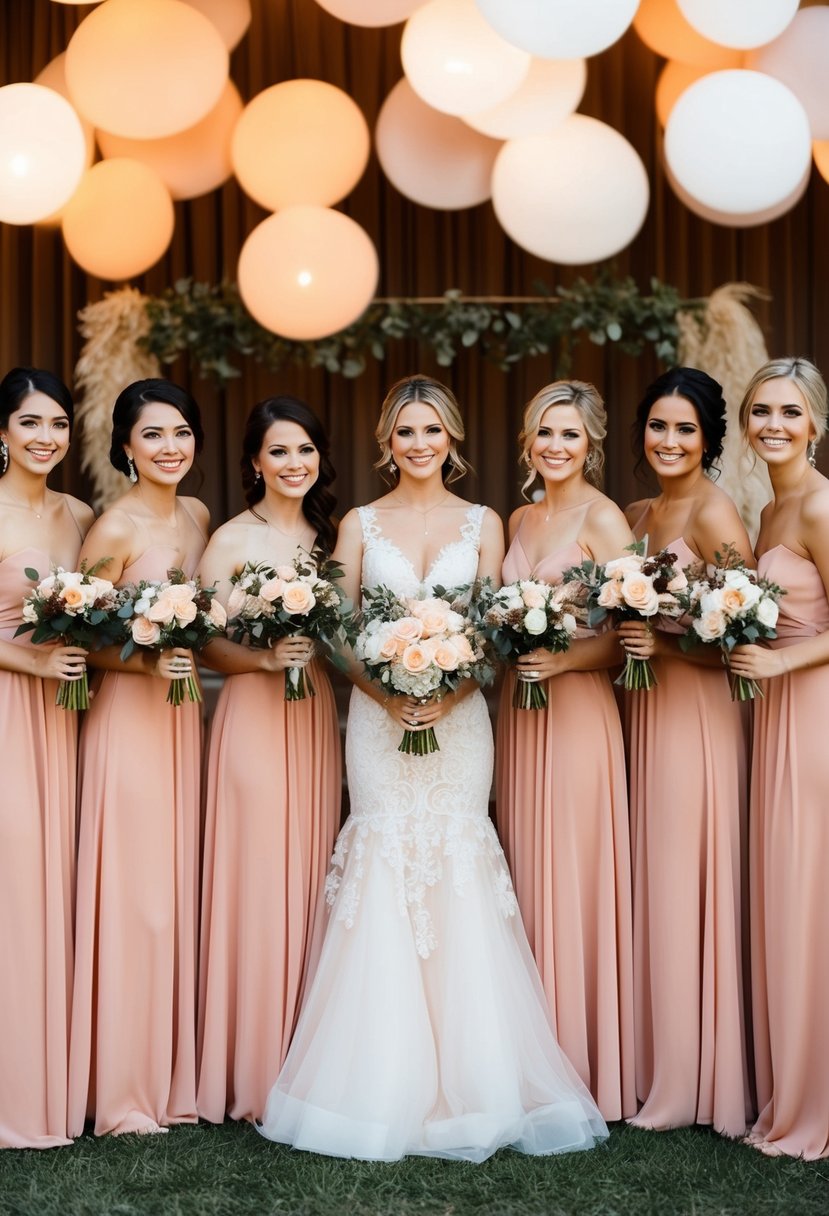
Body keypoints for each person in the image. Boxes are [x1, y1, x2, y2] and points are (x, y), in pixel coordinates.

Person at [258, 373, 607, 1162]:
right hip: (378, 725)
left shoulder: (485, 522)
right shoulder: (356, 522)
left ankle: (476, 1079)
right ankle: (374, 1081)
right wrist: (380, 690)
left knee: (453, 859)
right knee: (384, 858)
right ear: (387, 441)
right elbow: (336, 625)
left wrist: (451, 690)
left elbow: (490, 623)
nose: (419, 445)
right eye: (405, 432)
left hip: (460, 723)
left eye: (432, 432)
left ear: (451, 440)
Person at [68, 379, 209, 1136]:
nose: (169, 448)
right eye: (153, 435)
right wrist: (144, 662)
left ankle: (165, 1075)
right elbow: (77, 636)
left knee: (172, 897)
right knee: (134, 902)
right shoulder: (114, 527)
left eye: (181, 432)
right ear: (125, 446)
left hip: (180, 724)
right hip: (129, 722)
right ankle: (121, 1089)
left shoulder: (195, 515)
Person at [197, 396, 342, 1124]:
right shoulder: (229, 540)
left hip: (311, 712)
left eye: (305, 450)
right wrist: (260, 658)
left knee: (308, 873)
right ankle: (249, 1067)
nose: (294, 464)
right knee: (257, 877)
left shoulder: (329, 538)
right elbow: (202, 642)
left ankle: (303, 1058)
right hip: (255, 715)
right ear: (254, 462)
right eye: (279, 451)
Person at [496, 380, 636, 1121]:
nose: (554, 446)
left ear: (591, 444)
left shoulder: (603, 519)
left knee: (574, 874)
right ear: (528, 441)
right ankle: (532, 1053)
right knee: (528, 874)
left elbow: (630, 634)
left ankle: (587, 1063)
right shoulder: (521, 515)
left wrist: (565, 661)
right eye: (544, 433)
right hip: (523, 716)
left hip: (577, 710)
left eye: (569, 435)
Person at [619, 367, 754, 1137]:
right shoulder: (638, 510)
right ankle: (657, 1063)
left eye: (684, 430)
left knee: (680, 888)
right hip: (643, 716)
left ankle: (688, 1085)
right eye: (657, 426)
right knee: (654, 887)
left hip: (694, 720)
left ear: (706, 441)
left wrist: (666, 649)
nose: (667, 441)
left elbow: (750, 636)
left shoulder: (712, 512)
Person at [728, 357, 829, 1159]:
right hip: (774, 718)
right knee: (785, 896)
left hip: (812, 717)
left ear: (815, 423)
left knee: (808, 898)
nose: (772, 425)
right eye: (759, 411)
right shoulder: (769, 510)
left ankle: (813, 1106)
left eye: (787, 413)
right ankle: (787, 1086)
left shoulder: (820, 506)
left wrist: (780, 664)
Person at [0, 368, 93, 1149]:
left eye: (57, 424)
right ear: (1, 431)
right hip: (7, 710)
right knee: (15, 889)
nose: (45, 438)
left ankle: (54, 1083)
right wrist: (28, 664)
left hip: (65, 721)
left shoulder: (80, 514)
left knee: (54, 885)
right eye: (31, 423)